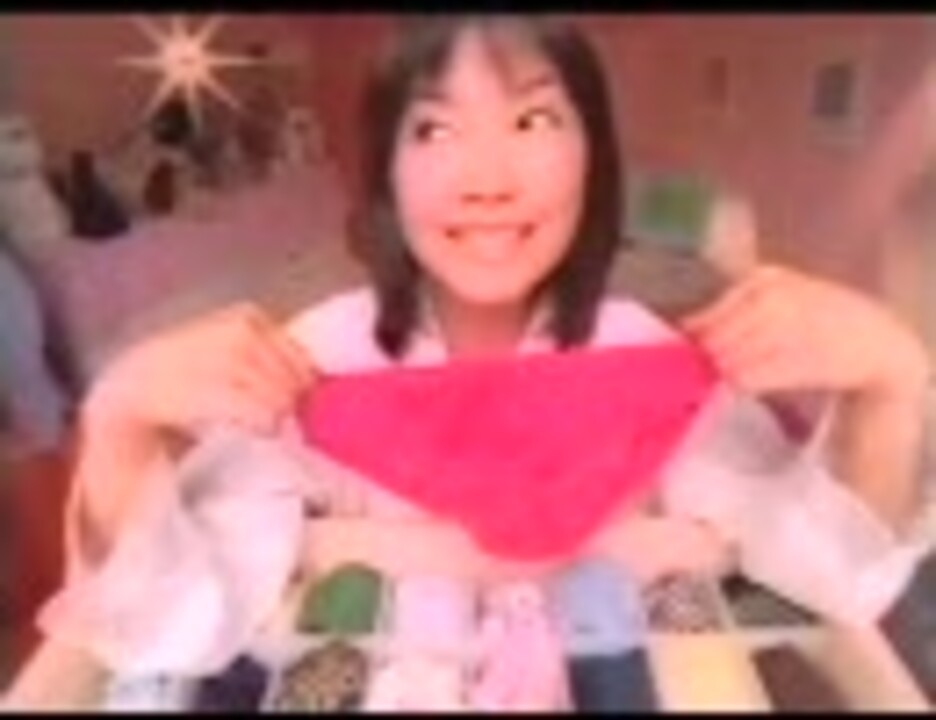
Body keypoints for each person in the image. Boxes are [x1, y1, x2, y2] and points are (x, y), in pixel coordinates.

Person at [19, 14, 934, 697]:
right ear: (386, 175)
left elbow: (828, 575)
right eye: (434, 130)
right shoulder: (315, 359)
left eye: (533, 121)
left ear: (592, 160)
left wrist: (893, 377)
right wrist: (120, 417)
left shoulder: (648, 355)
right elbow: (164, 615)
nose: (486, 180)